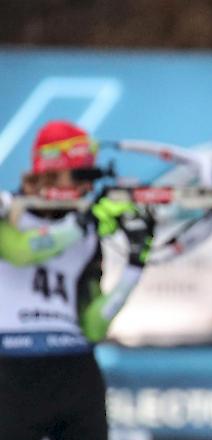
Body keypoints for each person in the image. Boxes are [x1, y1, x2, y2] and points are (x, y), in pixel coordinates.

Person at [0, 120, 153, 440]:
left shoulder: (88, 231)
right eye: (79, 175)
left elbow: (94, 326)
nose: (86, 187)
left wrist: (134, 266)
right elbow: (21, 252)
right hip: (11, 370)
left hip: (74, 369)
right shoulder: (8, 212)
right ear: (49, 172)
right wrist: (83, 222)